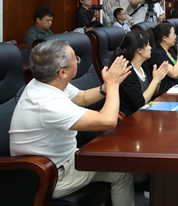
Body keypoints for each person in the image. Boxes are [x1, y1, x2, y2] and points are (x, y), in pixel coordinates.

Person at [9, 39, 136, 205]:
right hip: (49, 175)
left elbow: (82, 97)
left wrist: (104, 88)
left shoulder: (45, 82)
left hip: (63, 161)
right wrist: (113, 85)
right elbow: (108, 121)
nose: (78, 61)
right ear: (63, 72)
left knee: (119, 163)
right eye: (75, 58)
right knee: (121, 171)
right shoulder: (48, 103)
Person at [113, 30, 169, 117]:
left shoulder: (143, 66)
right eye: (148, 45)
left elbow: (153, 94)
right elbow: (140, 103)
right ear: (139, 50)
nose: (150, 48)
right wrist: (155, 79)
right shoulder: (127, 71)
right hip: (133, 118)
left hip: (147, 113)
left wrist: (158, 80)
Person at [148, 22, 178, 94]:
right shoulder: (156, 54)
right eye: (173, 34)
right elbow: (174, 74)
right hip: (167, 93)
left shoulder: (170, 51)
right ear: (165, 38)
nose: (175, 37)